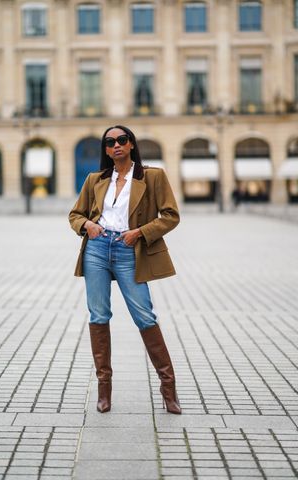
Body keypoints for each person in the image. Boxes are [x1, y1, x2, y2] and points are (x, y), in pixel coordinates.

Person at [69, 125, 181, 414]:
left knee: (144, 315)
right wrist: (88, 225)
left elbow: (171, 216)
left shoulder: (152, 176)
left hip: (130, 249)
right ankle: (104, 390)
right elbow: (75, 214)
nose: (116, 145)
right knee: (98, 315)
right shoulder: (95, 179)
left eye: (122, 140)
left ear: (131, 144)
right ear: (105, 149)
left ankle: (169, 390)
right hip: (97, 248)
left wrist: (140, 232)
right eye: (110, 142)